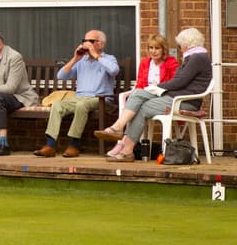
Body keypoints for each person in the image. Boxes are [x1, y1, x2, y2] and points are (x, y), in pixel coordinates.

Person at [96, 27, 212, 161]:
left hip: (185, 102)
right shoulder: (195, 57)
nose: (180, 49)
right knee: (138, 93)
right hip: (173, 96)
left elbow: (179, 81)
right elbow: (179, 82)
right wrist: (155, 89)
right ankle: (118, 128)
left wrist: (157, 87)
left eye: (180, 46)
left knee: (143, 108)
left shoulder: (196, 58)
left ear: (186, 44)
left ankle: (126, 148)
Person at [35, 29, 120, 158]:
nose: (87, 44)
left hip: (101, 99)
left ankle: (74, 145)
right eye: (84, 41)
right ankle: (50, 145)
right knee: (57, 105)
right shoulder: (81, 61)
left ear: (101, 44)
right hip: (79, 98)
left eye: (91, 41)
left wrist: (96, 56)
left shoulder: (108, 59)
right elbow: (61, 76)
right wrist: (75, 58)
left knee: (82, 105)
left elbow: (114, 71)